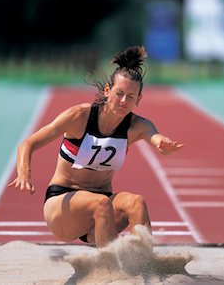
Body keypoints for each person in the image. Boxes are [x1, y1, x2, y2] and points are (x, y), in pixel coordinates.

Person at [9, 46, 183, 248]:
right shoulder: (79, 117)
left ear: (139, 99)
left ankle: (144, 262)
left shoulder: (138, 126)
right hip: (63, 204)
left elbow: (155, 138)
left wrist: (162, 144)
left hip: (102, 210)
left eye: (131, 96)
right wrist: (24, 172)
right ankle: (109, 269)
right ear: (108, 90)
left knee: (137, 202)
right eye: (119, 93)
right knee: (100, 203)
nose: (124, 101)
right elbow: (27, 143)